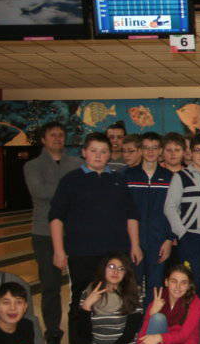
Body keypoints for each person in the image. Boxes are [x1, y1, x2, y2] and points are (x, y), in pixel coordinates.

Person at [49, 132, 140, 331]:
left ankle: (113, 343)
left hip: (115, 253)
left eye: (103, 151)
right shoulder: (71, 180)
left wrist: (135, 245)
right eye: (93, 151)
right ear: (84, 153)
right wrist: (58, 250)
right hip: (83, 253)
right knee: (82, 298)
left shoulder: (118, 180)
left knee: (118, 297)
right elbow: (56, 217)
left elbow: (131, 215)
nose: (98, 156)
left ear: (109, 154)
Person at [24, 121, 81, 344]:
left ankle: (79, 332)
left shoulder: (76, 162)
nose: (58, 138)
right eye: (53, 135)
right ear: (44, 140)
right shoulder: (32, 165)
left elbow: (74, 192)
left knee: (80, 286)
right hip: (44, 233)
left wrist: (61, 189)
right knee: (50, 287)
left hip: (76, 232)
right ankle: (53, 333)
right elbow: (40, 192)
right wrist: (69, 188)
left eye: (60, 135)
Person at [48, 255, 144, 344]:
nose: (115, 271)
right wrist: (86, 307)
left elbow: (129, 335)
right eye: (111, 267)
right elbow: (83, 337)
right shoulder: (89, 292)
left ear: (126, 273)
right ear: (103, 269)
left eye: (121, 269)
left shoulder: (134, 293)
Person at [165, 133, 200, 292]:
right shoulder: (181, 177)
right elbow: (170, 207)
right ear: (190, 152)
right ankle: (192, 315)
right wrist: (182, 233)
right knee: (192, 280)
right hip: (191, 235)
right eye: (198, 150)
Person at [122, 132, 175, 301]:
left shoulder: (169, 177)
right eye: (146, 148)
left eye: (155, 148)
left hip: (159, 241)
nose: (151, 152)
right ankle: (134, 326)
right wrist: (133, 244)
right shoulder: (128, 177)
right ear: (140, 150)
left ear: (160, 150)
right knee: (131, 286)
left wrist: (168, 239)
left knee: (156, 288)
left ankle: (152, 326)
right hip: (133, 240)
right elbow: (125, 212)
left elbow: (173, 211)